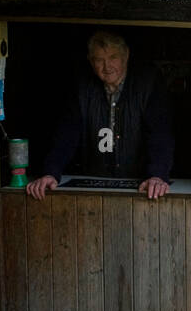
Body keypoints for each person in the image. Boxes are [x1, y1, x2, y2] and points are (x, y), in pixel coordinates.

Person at [26, 30, 174, 200]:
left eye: (113, 57)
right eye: (99, 60)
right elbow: (67, 134)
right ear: (90, 61)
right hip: (95, 182)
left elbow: (160, 134)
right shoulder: (82, 87)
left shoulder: (148, 82)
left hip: (140, 184)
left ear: (126, 55)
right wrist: (51, 172)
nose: (107, 66)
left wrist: (157, 175)